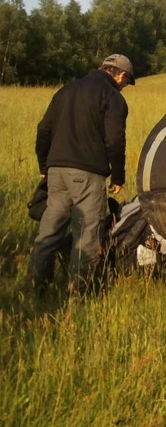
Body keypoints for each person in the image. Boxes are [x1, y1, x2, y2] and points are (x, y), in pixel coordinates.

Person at [28, 54, 134, 296]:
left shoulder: (66, 90)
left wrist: (44, 167)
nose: (125, 86)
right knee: (87, 235)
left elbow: (43, 130)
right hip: (88, 174)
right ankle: (78, 295)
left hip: (56, 173)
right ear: (121, 75)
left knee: (49, 232)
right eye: (127, 81)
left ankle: (36, 290)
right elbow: (115, 141)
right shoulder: (112, 97)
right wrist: (118, 176)